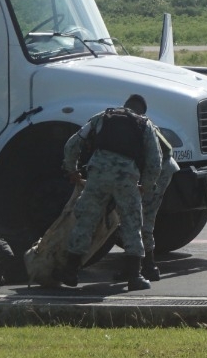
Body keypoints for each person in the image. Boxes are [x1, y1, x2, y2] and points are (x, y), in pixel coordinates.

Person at [55, 94, 162, 292]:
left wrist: (73, 170)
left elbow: (72, 143)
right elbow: (155, 161)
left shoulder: (103, 117)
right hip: (126, 178)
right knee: (132, 224)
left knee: (85, 220)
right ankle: (134, 277)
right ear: (141, 111)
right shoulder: (145, 125)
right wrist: (145, 185)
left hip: (98, 176)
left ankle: (70, 272)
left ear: (125, 106)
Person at [135, 96, 179, 282]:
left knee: (145, 218)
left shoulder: (143, 126)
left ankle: (149, 266)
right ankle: (138, 265)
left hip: (160, 171)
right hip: (160, 168)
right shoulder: (140, 123)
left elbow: (156, 162)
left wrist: (146, 186)